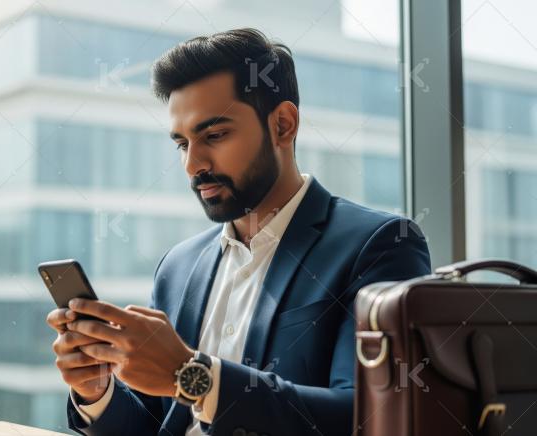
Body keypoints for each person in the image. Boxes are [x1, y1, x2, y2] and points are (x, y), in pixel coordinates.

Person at [46, 28, 431, 436]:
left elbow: (369, 417)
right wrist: (97, 392)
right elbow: (156, 427)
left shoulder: (379, 244)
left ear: (283, 125)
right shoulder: (177, 267)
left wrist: (190, 375)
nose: (194, 164)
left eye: (214, 135)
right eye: (182, 143)